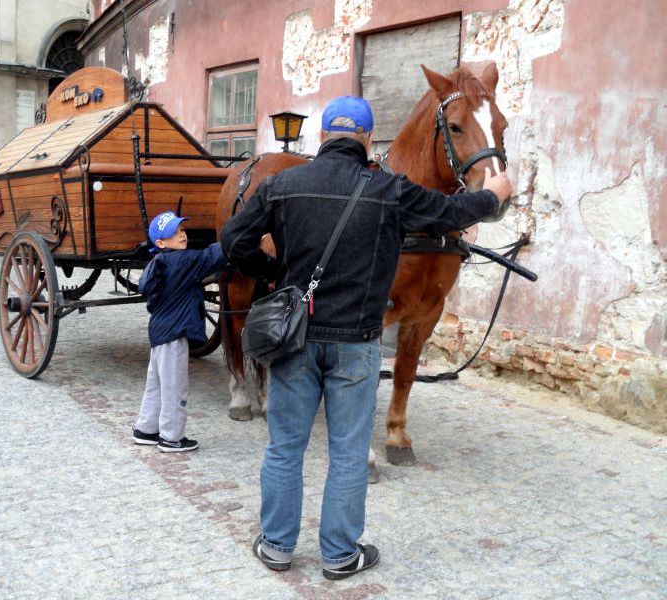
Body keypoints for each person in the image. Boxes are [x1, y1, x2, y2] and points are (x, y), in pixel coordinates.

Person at [220, 96, 512, 579]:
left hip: (295, 341)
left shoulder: (281, 186)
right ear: (368, 141)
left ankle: (275, 545)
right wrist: (494, 195)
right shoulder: (389, 190)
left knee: (284, 446)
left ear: (321, 138)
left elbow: (234, 241)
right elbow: (449, 211)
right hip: (356, 342)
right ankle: (338, 554)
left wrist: (273, 274)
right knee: (350, 450)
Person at [132, 211, 227, 452]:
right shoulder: (183, 262)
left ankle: (146, 429)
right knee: (175, 386)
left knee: (156, 384)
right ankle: (172, 438)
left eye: (182, 230)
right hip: (174, 335)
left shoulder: (160, 262)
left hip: (160, 332)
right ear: (160, 243)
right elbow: (213, 255)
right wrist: (240, 236)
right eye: (174, 234)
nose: (182, 236)